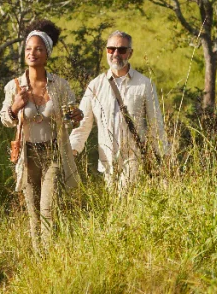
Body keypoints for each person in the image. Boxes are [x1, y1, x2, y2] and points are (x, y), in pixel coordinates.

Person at [0, 19, 83, 252]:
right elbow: (5, 120)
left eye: (38, 49)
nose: (32, 53)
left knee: (48, 208)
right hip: (27, 156)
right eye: (28, 49)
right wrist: (15, 107)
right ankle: (40, 258)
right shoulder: (14, 86)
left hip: (53, 152)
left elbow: (69, 119)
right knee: (33, 210)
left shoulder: (60, 85)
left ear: (48, 53)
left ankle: (50, 254)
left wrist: (75, 116)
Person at [69, 30, 168, 192]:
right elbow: (83, 124)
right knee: (115, 205)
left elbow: (155, 122)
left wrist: (163, 154)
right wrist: (71, 151)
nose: (116, 54)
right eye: (111, 49)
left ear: (130, 53)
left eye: (121, 50)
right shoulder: (95, 85)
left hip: (134, 158)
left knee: (124, 198)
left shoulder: (144, 84)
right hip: (107, 161)